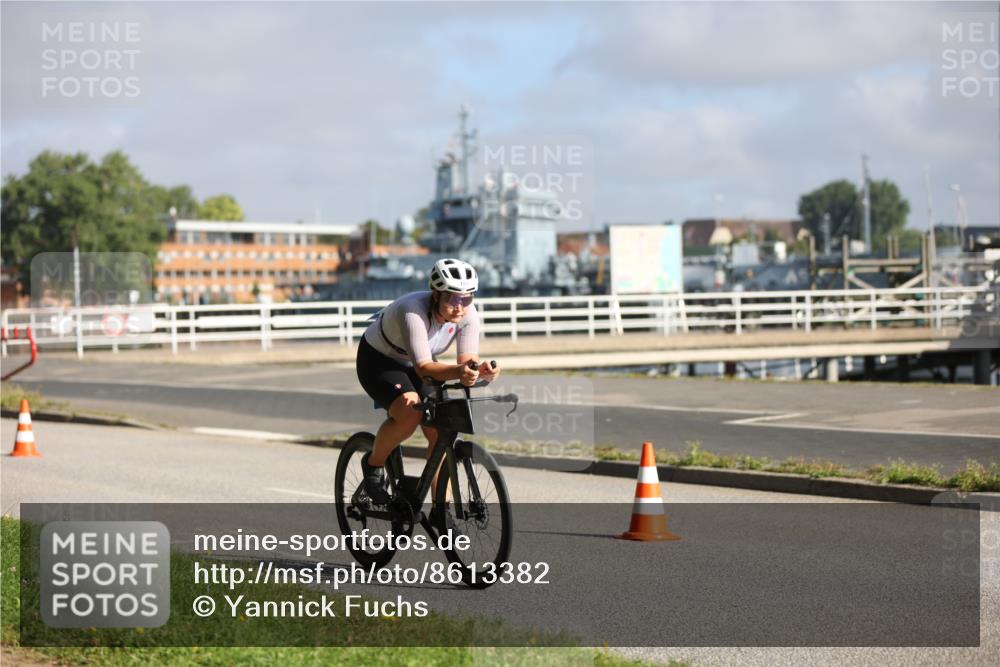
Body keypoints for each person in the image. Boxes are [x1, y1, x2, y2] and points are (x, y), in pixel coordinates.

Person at [355, 258, 500, 505]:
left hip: (417, 361)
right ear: (436, 295)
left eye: (467, 299)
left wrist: (480, 371)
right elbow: (424, 369)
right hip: (379, 360)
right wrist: (460, 371)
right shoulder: (413, 310)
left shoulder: (468, 314)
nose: (460, 307)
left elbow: (467, 361)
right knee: (410, 412)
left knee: (441, 428)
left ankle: (440, 510)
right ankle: (373, 466)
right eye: (453, 299)